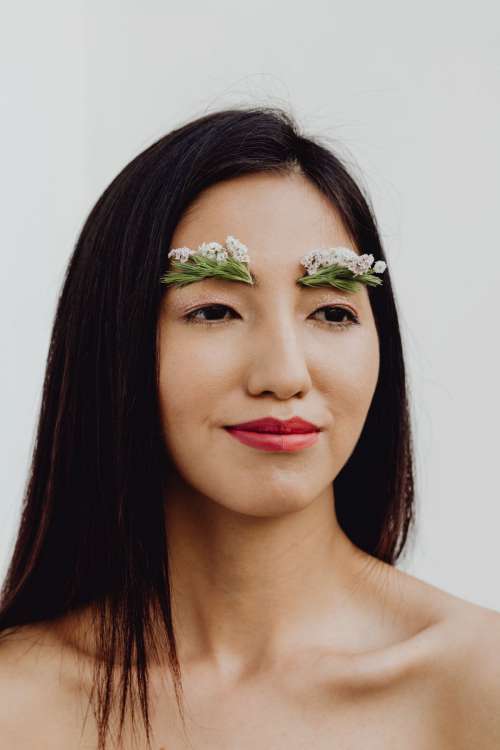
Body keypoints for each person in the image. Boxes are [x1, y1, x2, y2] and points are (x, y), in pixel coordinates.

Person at [0, 106, 499, 750]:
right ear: (111, 343)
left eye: (331, 311)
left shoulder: (477, 683)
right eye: (213, 310)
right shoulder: (17, 702)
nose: (284, 374)